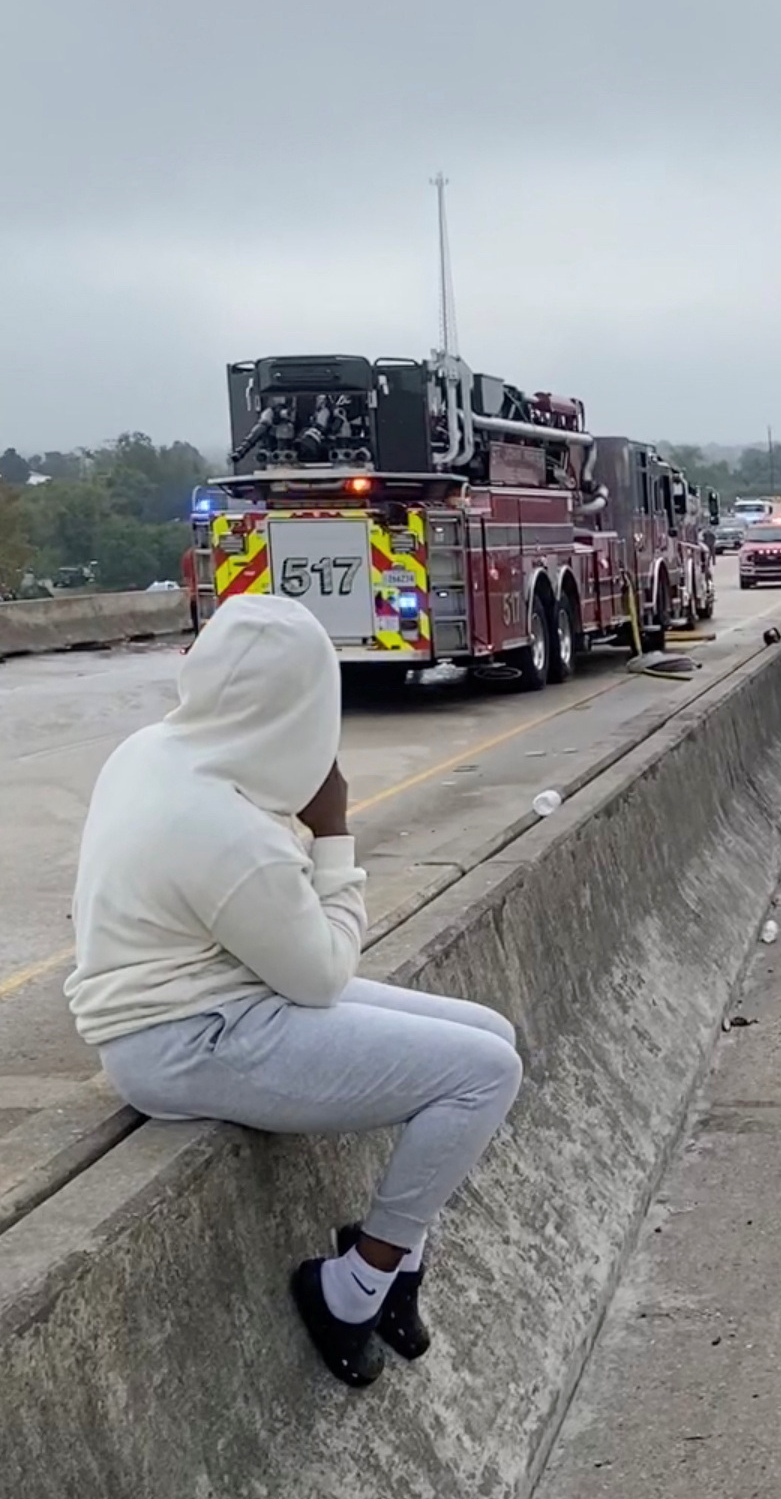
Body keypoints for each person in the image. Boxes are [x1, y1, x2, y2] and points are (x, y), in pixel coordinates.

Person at [65, 596, 524, 1391]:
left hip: (213, 998)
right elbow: (323, 973)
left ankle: (397, 1255)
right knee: (484, 1073)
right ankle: (354, 1287)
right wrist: (335, 834)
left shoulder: (155, 749)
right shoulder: (221, 828)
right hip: (183, 1039)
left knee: (490, 1034)